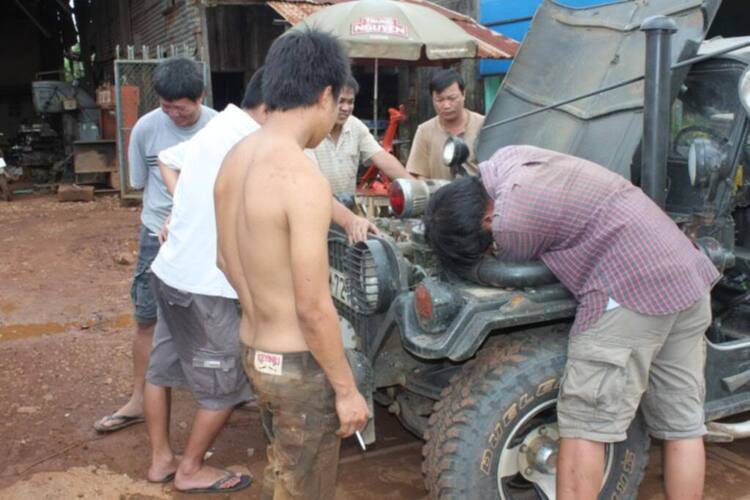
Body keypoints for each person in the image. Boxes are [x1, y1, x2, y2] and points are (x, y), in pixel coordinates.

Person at [424, 145, 719, 500]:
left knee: (584, 428)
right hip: (686, 275)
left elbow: (514, 269)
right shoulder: (505, 160)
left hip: (631, 292)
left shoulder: (511, 219)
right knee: (682, 426)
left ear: (485, 223)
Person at [214, 29, 369, 499]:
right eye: (338, 100)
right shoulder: (302, 178)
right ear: (325, 95)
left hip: (252, 349)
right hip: (298, 366)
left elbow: (223, 259)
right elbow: (313, 307)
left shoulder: (235, 157)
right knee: (305, 485)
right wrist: (346, 389)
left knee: (283, 470)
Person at [137, 69, 271, 494]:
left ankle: (161, 460)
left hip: (169, 272)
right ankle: (191, 469)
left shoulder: (223, 125)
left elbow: (167, 160)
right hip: (203, 284)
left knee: (160, 370)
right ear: (274, 106)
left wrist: (186, 208)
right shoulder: (249, 140)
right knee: (224, 382)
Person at [95, 57, 217, 433]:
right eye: (166, 107)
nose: (174, 115)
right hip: (155, 239)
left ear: (200, 97)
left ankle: (226, 390)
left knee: (215, 318)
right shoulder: (146, 128)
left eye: (181, 107)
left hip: (207, 237)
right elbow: (140, 183)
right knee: (147, 319)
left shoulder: (218, 128)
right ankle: (137, 400)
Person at [308, 75, 412, 194]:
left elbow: (383, 158)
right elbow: (312, 179)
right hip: (315, 206)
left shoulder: (356, 126)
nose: (346, 108)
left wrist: (413, 184)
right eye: (340, 101)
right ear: (325, 99)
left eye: (350, 102)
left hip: (347, 207)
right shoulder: (310, 129)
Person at [406, 69, 484, 180]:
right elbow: (419, 175)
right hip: (440, 195)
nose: (446, 105)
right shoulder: (425, 131)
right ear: (432, 99)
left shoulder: (483, 125)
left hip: (476, 195)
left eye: (452, 98)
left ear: (463, 95)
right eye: (439, 100)